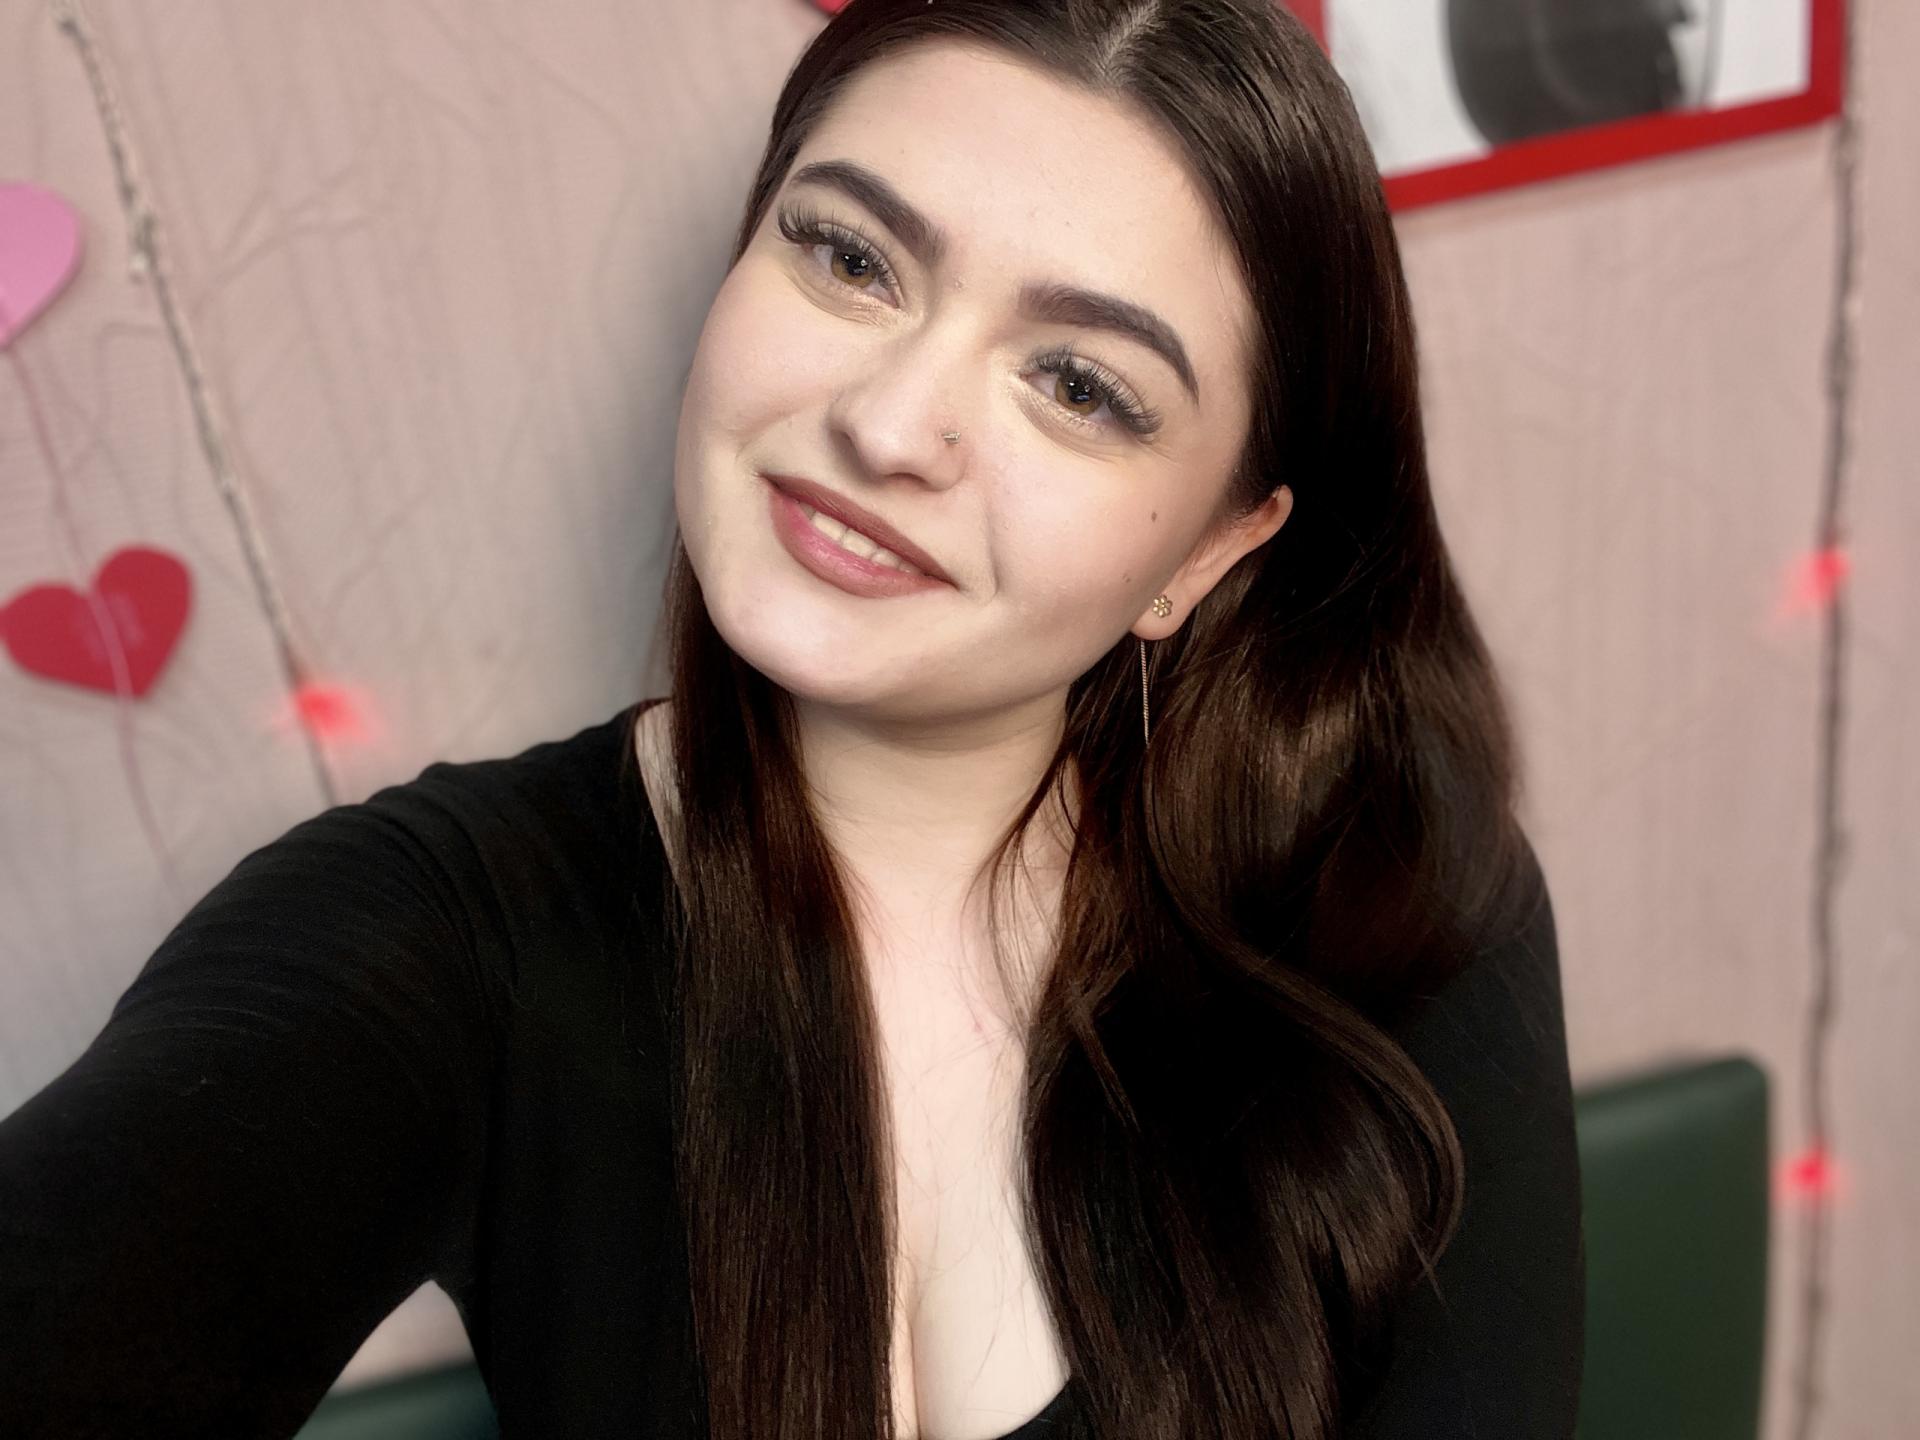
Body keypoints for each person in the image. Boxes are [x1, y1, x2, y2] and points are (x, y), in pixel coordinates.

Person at [0, 2, 1585, 1437]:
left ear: (1212, 553)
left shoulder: (1391, 886)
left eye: (1080, 387)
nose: (889, 426)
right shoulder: (440, 932)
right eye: (849, 258)